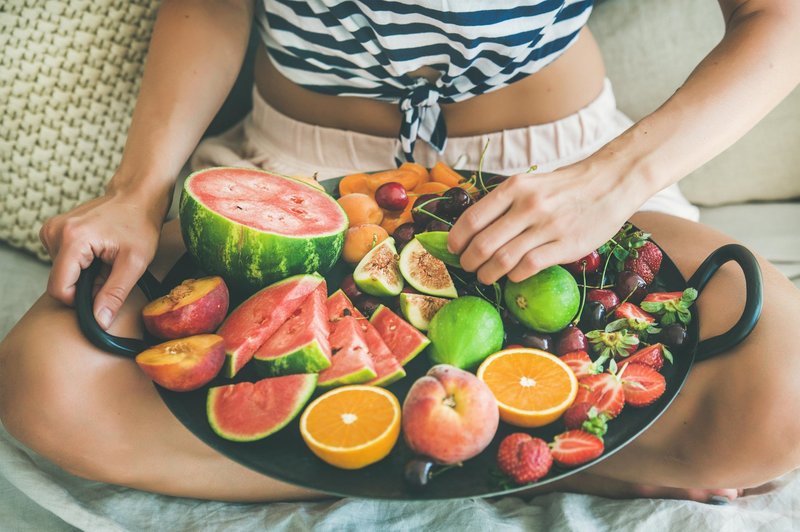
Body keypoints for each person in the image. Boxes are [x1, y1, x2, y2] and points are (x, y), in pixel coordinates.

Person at [1, 0, 799, 503]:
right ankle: (519, 464)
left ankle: (355, 458)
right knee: (46, 381)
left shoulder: (589, 182)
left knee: (786, 394)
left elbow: (777, 15)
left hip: (558, 176)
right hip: (296, 171)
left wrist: (614, 180)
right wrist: (138, 192)